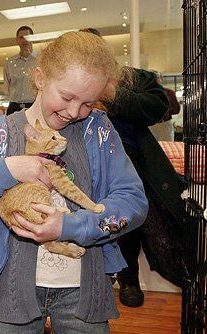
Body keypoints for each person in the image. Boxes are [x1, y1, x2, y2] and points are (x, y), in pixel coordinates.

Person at [0, 31, 148, 334]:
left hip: (84, 290)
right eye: (66, 97)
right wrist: (6, 170)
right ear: (39, 78)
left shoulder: (99, 131)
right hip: (10, 291)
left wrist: (71, 226)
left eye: (88, 103)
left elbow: (133, 203)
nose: (74, 112)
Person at [81, 28, 186, 308]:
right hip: (84, 161)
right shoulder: (70, 81)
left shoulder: (134, 77)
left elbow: (156, 105)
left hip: (131, 160)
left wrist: (111, 91)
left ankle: (129, 279)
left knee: (131, 217)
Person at [3, 25, 37, 116]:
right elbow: (7, 86)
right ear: (17, 40)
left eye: (27, 37)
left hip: (34, 106)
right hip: (14, 107)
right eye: (21, 37)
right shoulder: (9, 62)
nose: (24, 40)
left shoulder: (40, 60)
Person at [149, 71, 181, 141]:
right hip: (154, 124)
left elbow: (176, 110)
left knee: (165, 145)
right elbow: (176, 109)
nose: (155, 80)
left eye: (156, 77)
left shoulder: (169, 92)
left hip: (161, 123)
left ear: (161, 79)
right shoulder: (169, 92)